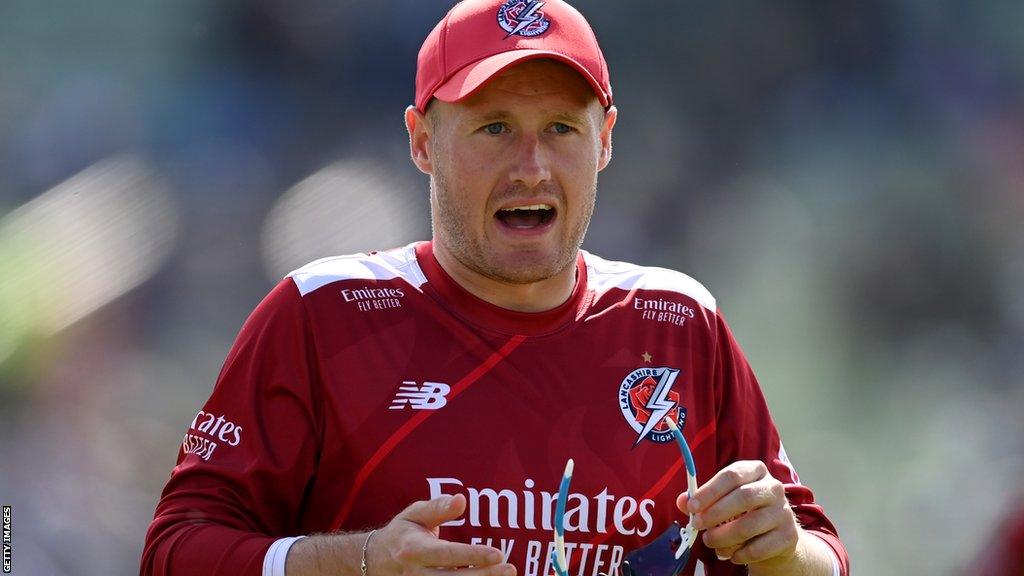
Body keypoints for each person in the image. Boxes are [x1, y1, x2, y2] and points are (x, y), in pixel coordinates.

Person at [140, 1, 850, 575]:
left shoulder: (677, 321)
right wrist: (356, 562)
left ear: (605, 140)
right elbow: (173, 553)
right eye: (495, 127)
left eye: (562, 129)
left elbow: (822, 556)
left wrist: (785, 554)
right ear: (421, 140)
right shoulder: (325, 313)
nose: (532, 167)